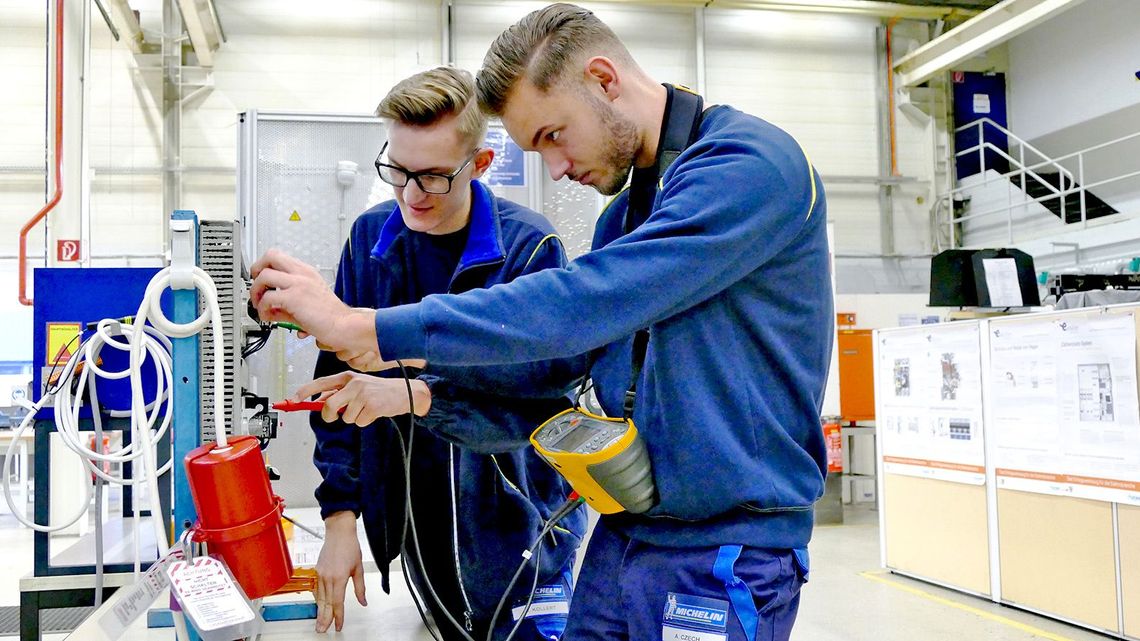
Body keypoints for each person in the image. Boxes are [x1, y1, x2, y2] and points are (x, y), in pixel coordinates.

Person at [252, 4, 833, 641]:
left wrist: (374, 330)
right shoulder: (624, 219)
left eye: (554, 134)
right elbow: (552, 385)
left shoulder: (749, 166)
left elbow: (584, 303)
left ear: (604, 79)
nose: (555, 168)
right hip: (627, 530)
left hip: (727, 546)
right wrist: (416, 397)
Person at [292, 66, 586, 641]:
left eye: (430, 176)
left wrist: (411, 394)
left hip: (520, 530)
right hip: (416, 531)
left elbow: (545, 410)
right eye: (397, 170)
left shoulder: (528, 249)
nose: (410, 194)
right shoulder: (372, 241)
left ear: (480, 165)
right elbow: (336, 390)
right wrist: (339, 518)